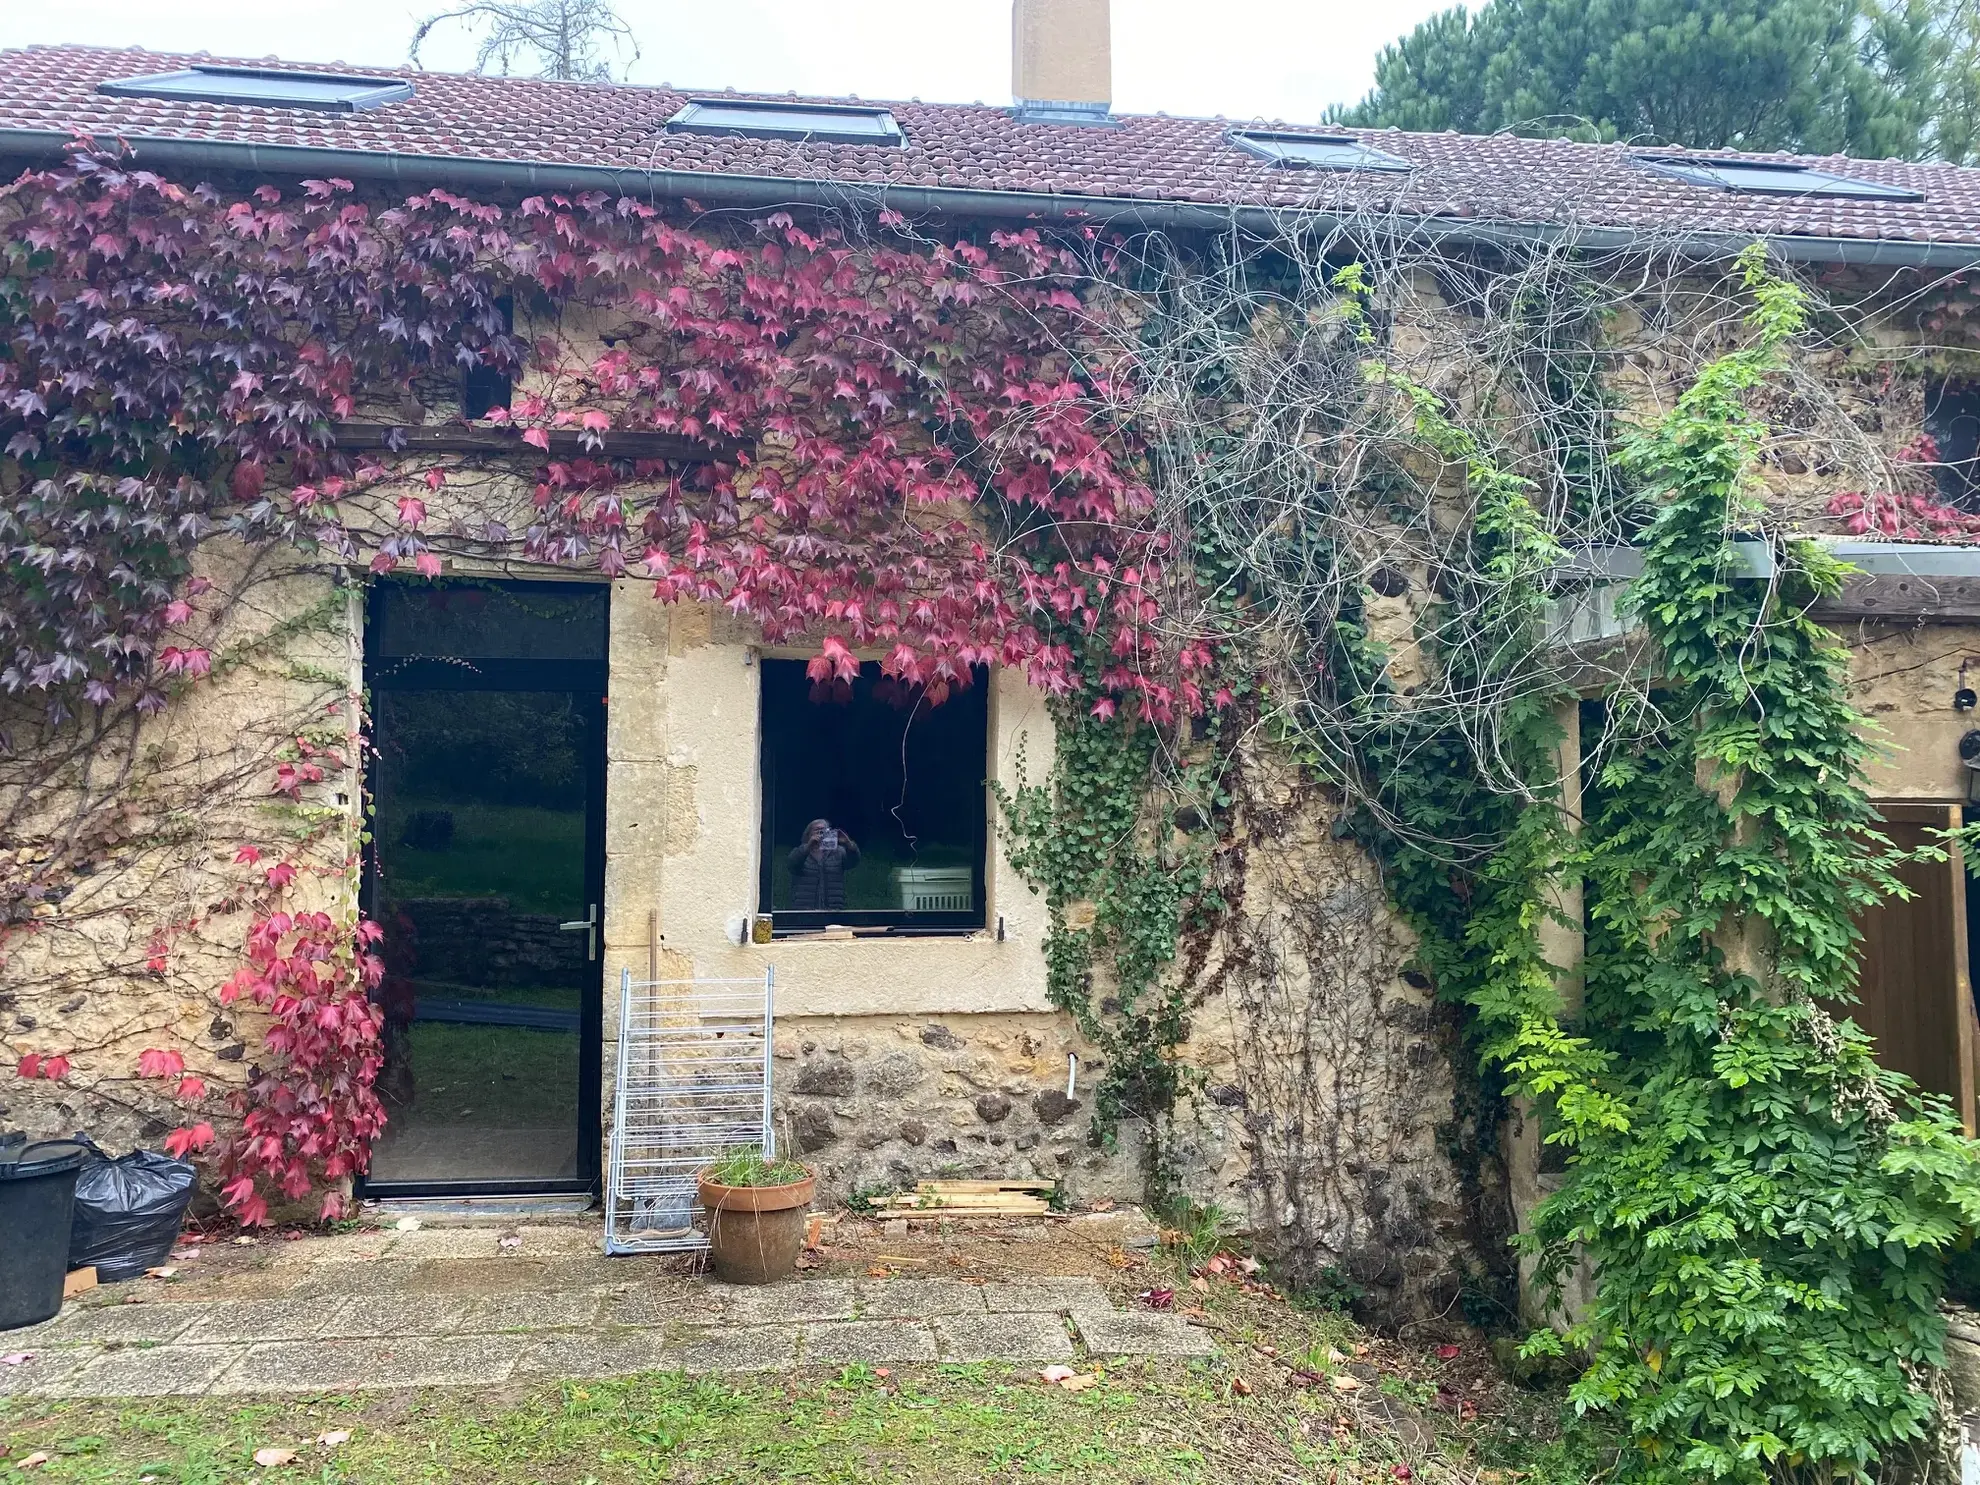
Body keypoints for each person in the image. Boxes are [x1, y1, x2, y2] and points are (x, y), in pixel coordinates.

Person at [788, 818, 860, 911]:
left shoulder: (838, 852)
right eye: (817, 830)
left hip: (833, 910)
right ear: (808, 834)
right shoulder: (801, 852)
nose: (821, 833)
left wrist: (848, 844)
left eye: (825, 830)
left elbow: (853, 862)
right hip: (804, 910)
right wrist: (809, 846)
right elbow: (792, 865)